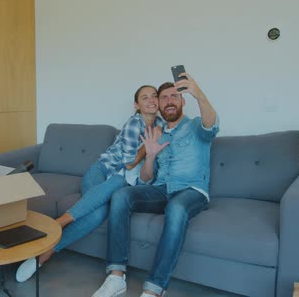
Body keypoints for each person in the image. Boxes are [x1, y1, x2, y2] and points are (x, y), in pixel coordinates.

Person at [15, 85, 162, 283]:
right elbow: (129, 163)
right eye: (145, 97)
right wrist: (147, 147)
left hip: (121, 181)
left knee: (100, 212)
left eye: (154, 96)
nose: (151, 100)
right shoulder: (135, 124)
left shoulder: (161, 124)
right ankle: (56, 230)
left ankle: (48, 249)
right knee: (114, 186)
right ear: (137, 104)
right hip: (101, 172)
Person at [92, 73, 220, 297]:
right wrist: (149, 156)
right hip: (162, 189)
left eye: (174, 96)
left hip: (191, 190)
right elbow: (145, 179)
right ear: (159, 105)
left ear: (182, 102)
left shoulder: (197, 126)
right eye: (164, 98)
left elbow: (212, 124)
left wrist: (198, 93)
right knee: (121, 195)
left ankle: (154, 289)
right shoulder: (158, 135)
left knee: (177, 208)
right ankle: (116, 276)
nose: (169, 100)